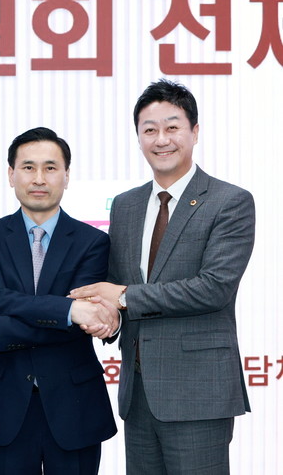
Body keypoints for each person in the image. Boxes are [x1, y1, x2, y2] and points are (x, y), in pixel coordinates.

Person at [70, 79, 255, 474]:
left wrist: (123, 297)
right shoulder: (126, 205)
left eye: (172, 127)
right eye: (149, 129)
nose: (161, 140)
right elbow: (118, 282)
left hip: (198, 392)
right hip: (138, 393)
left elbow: (213, 289)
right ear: (138, 137)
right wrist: (107, 317)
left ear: (195, 132)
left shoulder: (230, 201)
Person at [0, 127, 117, 474]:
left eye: (50, 167)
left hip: (75, 404)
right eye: (28, 167)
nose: (39, 178)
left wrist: (1, 326)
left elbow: (81, 324)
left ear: (67, 175)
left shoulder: (93, 242)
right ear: (11, 174)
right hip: (5, 402)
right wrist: (67, 309)